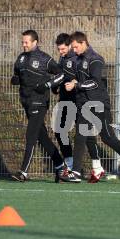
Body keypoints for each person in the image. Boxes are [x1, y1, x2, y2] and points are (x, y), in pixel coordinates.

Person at [65, 31, 120, 183]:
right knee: (80, 136)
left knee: (107, 137)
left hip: (98, 104)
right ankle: (76, 172)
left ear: (84, 43)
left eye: (76, 47)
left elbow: (95, 82)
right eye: (73, 48)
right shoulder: (77, 60)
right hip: (84, 104)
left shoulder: (96, 60)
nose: (74, 50)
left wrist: (77, 85)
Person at [10, 30, 77, 182]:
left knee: (31, 136)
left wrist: (47, 84)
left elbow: (61, 75)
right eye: (23, 42)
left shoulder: (44, 58)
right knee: (42, 138)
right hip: (26, 102)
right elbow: (17, 74)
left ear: (35, 42)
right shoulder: (20, 58)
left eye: (26, 42)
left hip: (39, 102)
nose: (24, 44)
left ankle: (23, 173)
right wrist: (15, 79)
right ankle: (61, 167)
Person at [53, 33, 100, 182]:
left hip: (77, 100)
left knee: (83, 134)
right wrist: (56, 86)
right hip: (65, 100)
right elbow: (62, 75)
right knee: (60, 131)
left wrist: (72, 84)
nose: (60, 52)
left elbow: (80, 79)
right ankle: (70, 164)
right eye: (59, 50)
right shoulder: (63, 58)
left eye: (63, 49)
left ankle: (96, 165)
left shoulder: (77, 59)